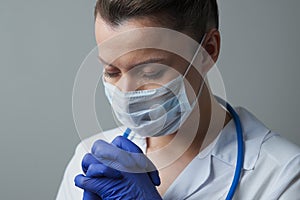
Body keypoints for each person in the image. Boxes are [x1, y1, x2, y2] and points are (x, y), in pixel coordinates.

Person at [56, 0, 300, 199]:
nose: (127, 92)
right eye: (112, 71)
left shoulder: (283, 175)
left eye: (150, 72)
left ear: (208, 51)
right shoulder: (90, 161)